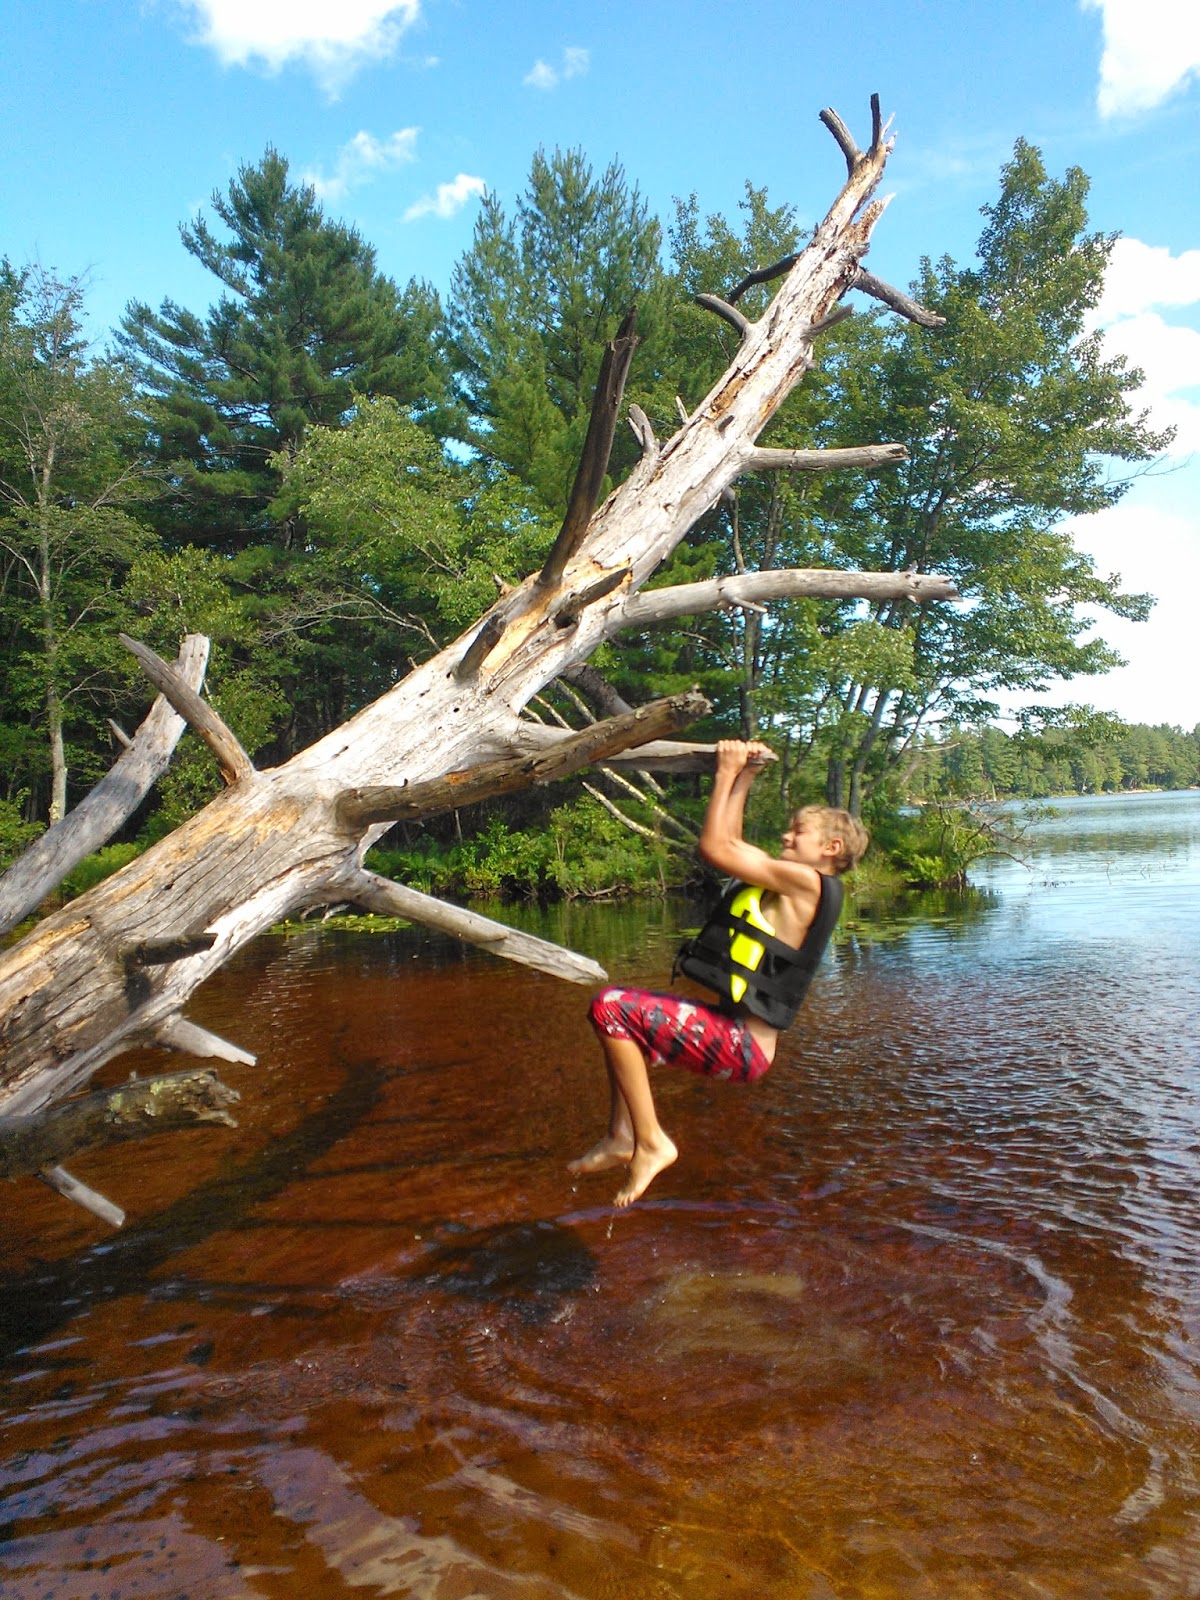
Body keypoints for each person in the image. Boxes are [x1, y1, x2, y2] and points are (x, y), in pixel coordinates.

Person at [568, 739, 869, 1208]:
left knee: (612, 1008)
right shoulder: (798, 883)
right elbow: (730, 842)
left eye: (798, 832)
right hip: (738, 1037)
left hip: (742, 1046)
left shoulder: (808, 884)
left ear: (831, 848)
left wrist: (725, 772)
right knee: (625, 1025)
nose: (786, 836)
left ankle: (650, 1142)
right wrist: (745, 776)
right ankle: (621, 1135)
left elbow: (713, 847)